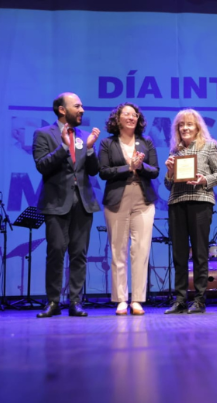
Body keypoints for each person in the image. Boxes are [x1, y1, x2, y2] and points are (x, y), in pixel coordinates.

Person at [33, 93, 101, 318]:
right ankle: (53, 302)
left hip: (83, 203)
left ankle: (75, 302)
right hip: (56, 203)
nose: (82, 110)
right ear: (62, 110)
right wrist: (63, 146)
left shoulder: (84, 136)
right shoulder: (43, 134)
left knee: (79, 254)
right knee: (55, 252)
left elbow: (93, 170)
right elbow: (42, 166)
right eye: (77, 106)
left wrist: (89, 149)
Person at [97, 102, 159, 315]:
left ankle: (137, 299)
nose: (132, 117)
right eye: (127, 114)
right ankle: (121, 300)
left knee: (140, 250)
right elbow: (103, 172)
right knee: (118, 250)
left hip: (143, 200)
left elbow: (155, 170)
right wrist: (128, 167)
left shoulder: (146, 141)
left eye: (135, 115)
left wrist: (141, 167)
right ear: (118, 119)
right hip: (117, 200)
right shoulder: (107, 143)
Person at [163, 109, 217, 314]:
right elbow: (167, 184)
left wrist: (204, 180)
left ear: (197, 127)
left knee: (199, 253)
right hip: (177, 202)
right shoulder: (175, 151)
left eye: (189, 124)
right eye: (181, 125)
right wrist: (170, 172)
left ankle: (199, 300)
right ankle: (180, 300)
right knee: (179, 254)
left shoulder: (209, 146)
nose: (185, 128)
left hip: (201, 201)